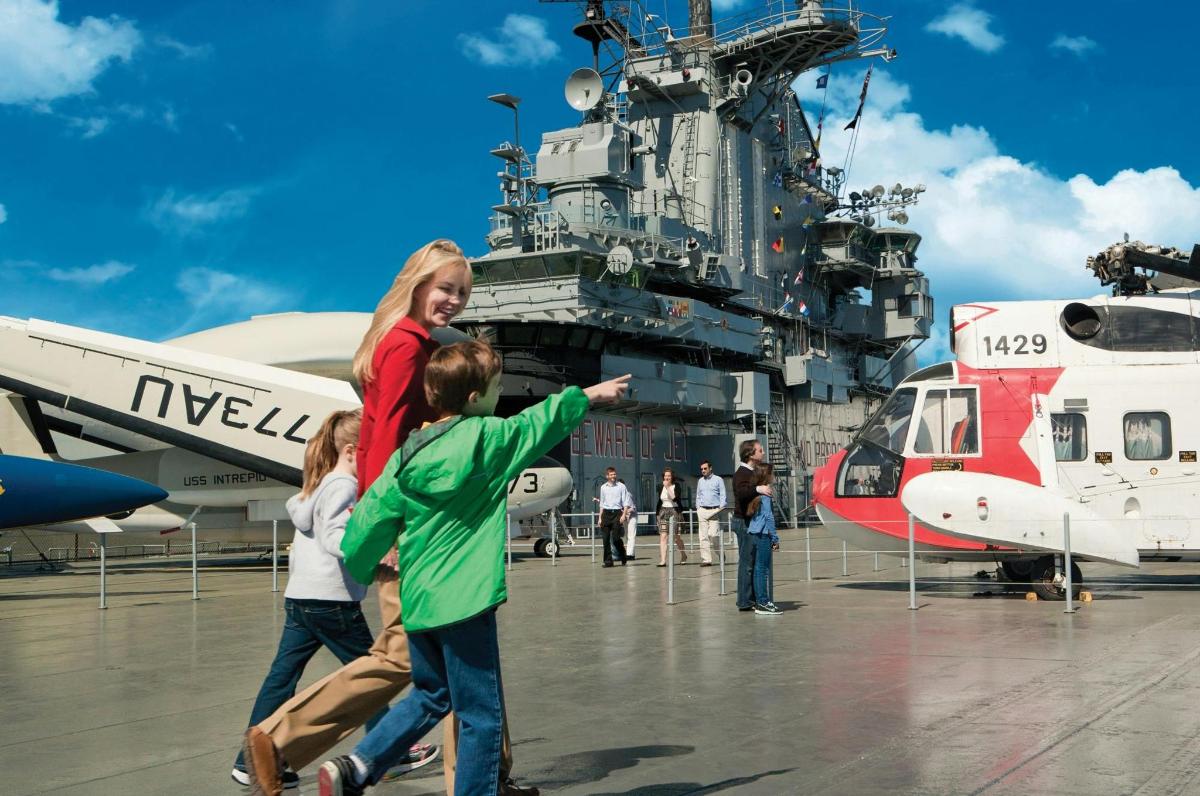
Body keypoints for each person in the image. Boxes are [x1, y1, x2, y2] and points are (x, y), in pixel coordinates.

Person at [242, 241, 530, 796]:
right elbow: (387, 439)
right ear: (418, 285)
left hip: (418, 528)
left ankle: (490, 778)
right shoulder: (406, 347)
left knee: (455, 662)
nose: (454, 301)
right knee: (407, 656)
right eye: (445, 288)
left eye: (462, 292)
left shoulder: (405, 341)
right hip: (412, 532)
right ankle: (278, 741)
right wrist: (387, 529)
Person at [316, 341, 631, 795]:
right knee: (480, 716)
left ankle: (358, 765)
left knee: (431, 694)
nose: (500, 394)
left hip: (420, 601)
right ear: (473, 397)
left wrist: (364, 568)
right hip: (466, 601)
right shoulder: (489, 438)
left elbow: (365, 525)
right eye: (496, 387)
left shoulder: (406, 456)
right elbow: (539, 422)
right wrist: (590, 395)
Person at [231, 410, 383, 789]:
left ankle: (248, 762)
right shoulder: (344, 485)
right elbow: (335, 537)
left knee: (281, 679)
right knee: (373, 675)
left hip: (300, 598)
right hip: (333, 601)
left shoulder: (315, 487)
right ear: (351, 451)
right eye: (369, 450)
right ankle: (389, 750)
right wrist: (375, 552)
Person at [732, 439, 772, 612]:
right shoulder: (742, 473)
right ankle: (744, 601)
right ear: (750, 454)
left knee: (753, 562)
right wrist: (758, 489)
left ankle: (751, 598)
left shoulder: (751, 472)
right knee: (747, 563)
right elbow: (741, 493)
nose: (763, 452)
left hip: (750, 521)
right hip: (743, 522)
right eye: (760, 450)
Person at [746, 463, 782, 615]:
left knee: (758, 568)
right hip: (763, 534)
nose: (773, 476)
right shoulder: (766, 492)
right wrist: (775, 538)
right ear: (766, 475)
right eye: (771, 473)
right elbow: (768, 517)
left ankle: (760, 601)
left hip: (754, 532)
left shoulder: (756, 492)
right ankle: (763, 602)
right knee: (763, 569)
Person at [596, 467, 631, 567]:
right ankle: (608, 561)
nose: (613, 476)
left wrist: (624, 515)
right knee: (605, 539)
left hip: (617, 513)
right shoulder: (603, 487)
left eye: (614, 474)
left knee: (616, 538)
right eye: (611, 475)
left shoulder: (621, 486)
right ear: (607, 476)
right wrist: (600, 518)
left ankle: (622, 554)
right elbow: (602, 504)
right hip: (606, 514)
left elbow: (626, 502)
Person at [694, 459, 726, 567]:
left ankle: (720, 554)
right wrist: (698, 507)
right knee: (703, 536)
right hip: (702, 510)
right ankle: (706, 560)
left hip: (714, 510)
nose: (703, 470)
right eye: (701, 469)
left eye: (705, 468)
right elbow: (698, 495)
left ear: (710, 468)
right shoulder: (700, 481)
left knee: (714, 535)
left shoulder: (718, 480)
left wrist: (721, 507)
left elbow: (723, 494)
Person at [656, 468, 686, 567]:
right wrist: (657, 514)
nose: (667, 477)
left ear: (672, 477)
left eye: (669, 476)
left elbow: (675, 498)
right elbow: (660, 500)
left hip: (674, 511)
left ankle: (683, 555)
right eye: (665, 476)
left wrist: (667, 487)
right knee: (663, 535)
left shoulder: (676, 486)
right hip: (663, 511)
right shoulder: (660, 486)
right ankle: (663, 560)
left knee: (676, 537)